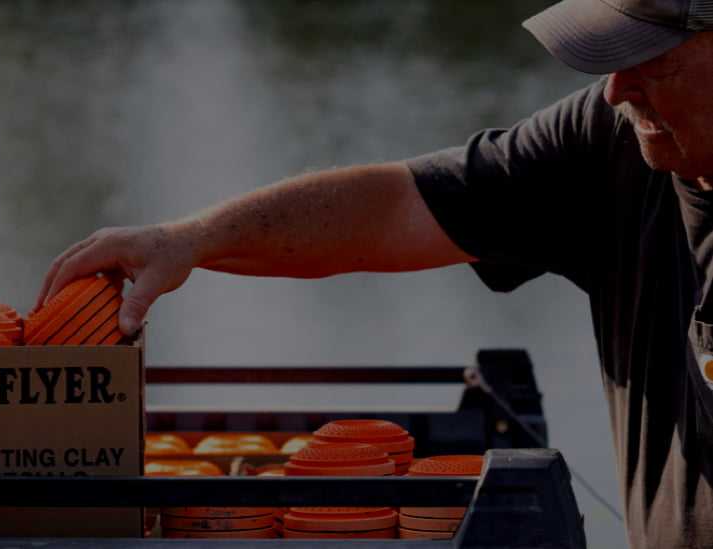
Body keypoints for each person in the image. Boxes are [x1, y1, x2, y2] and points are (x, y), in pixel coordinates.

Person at [37, 1, 713, 546]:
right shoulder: (606, 140)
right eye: (610, 57)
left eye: (650, 62)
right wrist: (191, 238)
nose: (615, 88)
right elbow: (392, 207)